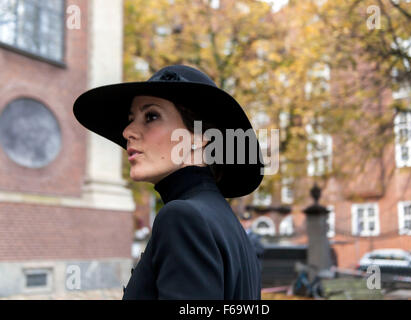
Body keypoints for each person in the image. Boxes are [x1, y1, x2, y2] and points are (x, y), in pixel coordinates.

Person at [73, 64, 266, 300]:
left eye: (151, 116)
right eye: (131, 119)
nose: (127, 131)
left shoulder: (182, 218)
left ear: (199, 138)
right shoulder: (227, 225)